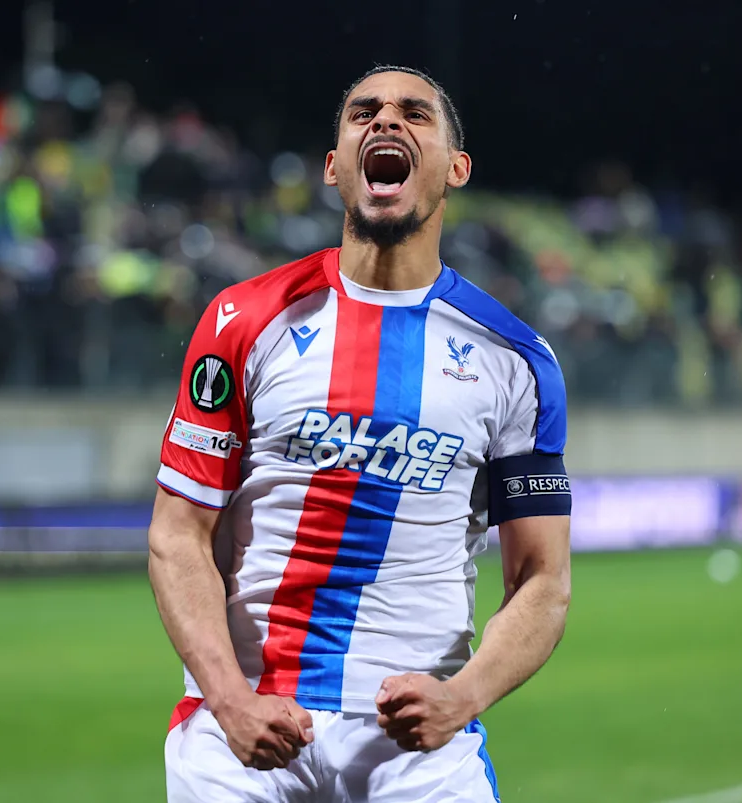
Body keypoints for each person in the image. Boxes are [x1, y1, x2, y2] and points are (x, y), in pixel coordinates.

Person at [148, 65, 572, 803]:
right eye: (363, 112)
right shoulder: (243, 321)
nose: (386, 121)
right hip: (242, 723)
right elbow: (177, 534)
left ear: (456, 168)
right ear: (333, 166)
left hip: (416, 743)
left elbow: (542, 580)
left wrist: (461, 698)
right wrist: (229, 698)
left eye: (415, 113)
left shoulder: (516, 361)